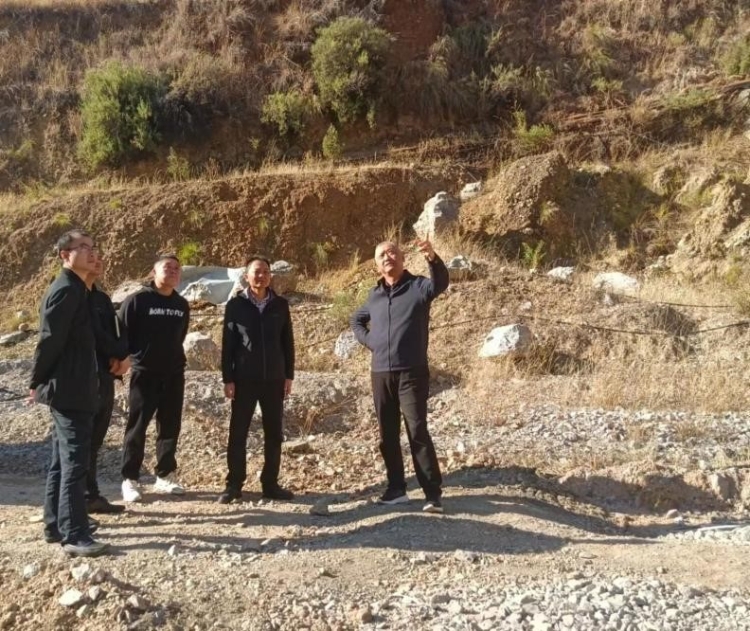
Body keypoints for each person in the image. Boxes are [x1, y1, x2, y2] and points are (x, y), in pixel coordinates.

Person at [350, 239, 448, 513]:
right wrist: (371, 341)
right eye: (382, 254)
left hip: (411, 371)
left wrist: (432, 258)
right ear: (377, 264)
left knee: (417, 430)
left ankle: (432, 494)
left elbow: (440, 283)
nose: (388, 257)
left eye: (392, 252)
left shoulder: (418, 286)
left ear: (402, 258)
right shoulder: (375, 295)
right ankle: (396, 489)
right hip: (381, 373)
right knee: (388, 434)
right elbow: (356, 320)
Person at [30, 229, 110, 557]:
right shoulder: (65, 290)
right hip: (70, 388)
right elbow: (50, 339)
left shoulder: (79, 289)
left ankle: (55, 524)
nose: (92, 253)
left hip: (76, 385)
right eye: (83, 248)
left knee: (61, 462)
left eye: (93, 247)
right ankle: (75, 535)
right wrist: (36, 381)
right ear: (65, 255)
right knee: (75, 463)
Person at [219, 255, 295, 504]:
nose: (261, 276)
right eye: (256, 272)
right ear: (247, 276)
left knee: (274, 434)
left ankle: (270, 484)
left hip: (274, 379)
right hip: (244, 379)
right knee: (238, 432)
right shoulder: (236, 305)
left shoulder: (280, 305)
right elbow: (228, 344)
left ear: (270, 276)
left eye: (265, 272)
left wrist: (289, 375)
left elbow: (287, 341)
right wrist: (228, 378)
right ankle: (234, 484)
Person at [118, 254, 190, 502]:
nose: (173, 271)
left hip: (174, 373)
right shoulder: (137, 300)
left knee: (170, 425)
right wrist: (126, 360)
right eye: (167, 267)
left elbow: (181, 336)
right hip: (144, 374)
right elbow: (122, 333)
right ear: (154, 271)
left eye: (177, 268)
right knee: (137, 426)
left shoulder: (181, 304)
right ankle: (130, 479)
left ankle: (165, 475)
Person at [85, 252, 130, 513]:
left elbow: (116, 331)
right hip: (81, 379)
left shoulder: (101, 298)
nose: (98, 261)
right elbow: (93, 335)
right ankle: (71, 503)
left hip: (105, 376)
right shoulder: (72, 296)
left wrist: (122, 357)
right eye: (90, 254)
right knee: (79, 442)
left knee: (95, 440)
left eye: (99, 256)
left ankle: (90, 495)